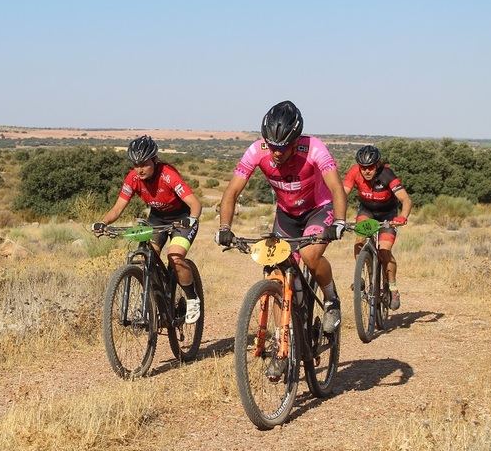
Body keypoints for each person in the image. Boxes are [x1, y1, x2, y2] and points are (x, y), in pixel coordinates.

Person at [216, 100, 347, 334]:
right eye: (272, 145)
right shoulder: (257, 151)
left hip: (318, 210)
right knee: (276, 272)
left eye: (284, 146)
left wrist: (338, 221)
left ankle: (330, 298)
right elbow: (232, 191)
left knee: (309, 255)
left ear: (296, 140)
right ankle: (281, 341)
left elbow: (337, 188)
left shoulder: (315, 148)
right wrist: (224, 227)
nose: (277, 152)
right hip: (287, 215)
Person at [92, 135, 203, 323]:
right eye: (135, 164)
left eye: (144, 163)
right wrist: (103, 223)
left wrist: (191, 219)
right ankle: (154, 302)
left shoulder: (168, 174)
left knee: (175, 257)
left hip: (181, 218)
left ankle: (192, 298)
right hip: (157, 219)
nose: (139, 169)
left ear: (155, 160)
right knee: (148, 258)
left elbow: (195, 203)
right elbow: (118, 208)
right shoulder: (133, 178)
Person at [343, 145, 412, 310]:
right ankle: (365, 273)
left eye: (370, 167)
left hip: (388, 214)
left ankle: (393, 287)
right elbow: (341, 194)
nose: (366, 171)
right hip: (367, 211)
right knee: (360, 238)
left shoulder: (387, 174)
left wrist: (402, 217)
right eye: (363, 168)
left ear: (377, 165)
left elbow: (406, 200)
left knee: (384, 251)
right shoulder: (354, 172)